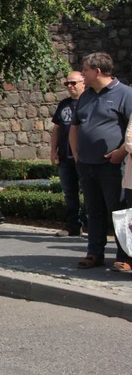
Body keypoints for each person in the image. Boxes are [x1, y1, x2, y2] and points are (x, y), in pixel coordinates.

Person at [69, 52, 132, 270]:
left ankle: (124, 256)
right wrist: (77, 154)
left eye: (85, 69)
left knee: (119, 210)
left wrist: (121, 153)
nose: (82, 74)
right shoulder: (86, 96)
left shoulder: (125, 94)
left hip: (113, 165)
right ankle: (95, 253)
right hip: (87, 164)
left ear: (97, 71)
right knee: (93, 210)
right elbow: (75, 127)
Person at [51, 71, 86, 237]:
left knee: (89, 192)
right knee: (69, 192)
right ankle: (73, 225)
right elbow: (57, 129)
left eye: (73, 83)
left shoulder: (89, 102)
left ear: (83, 83)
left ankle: (91, 225)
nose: (70, 86)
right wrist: (53, 151)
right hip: (65, 156)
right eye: (67, 84)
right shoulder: (64, 104)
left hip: (85, 156)